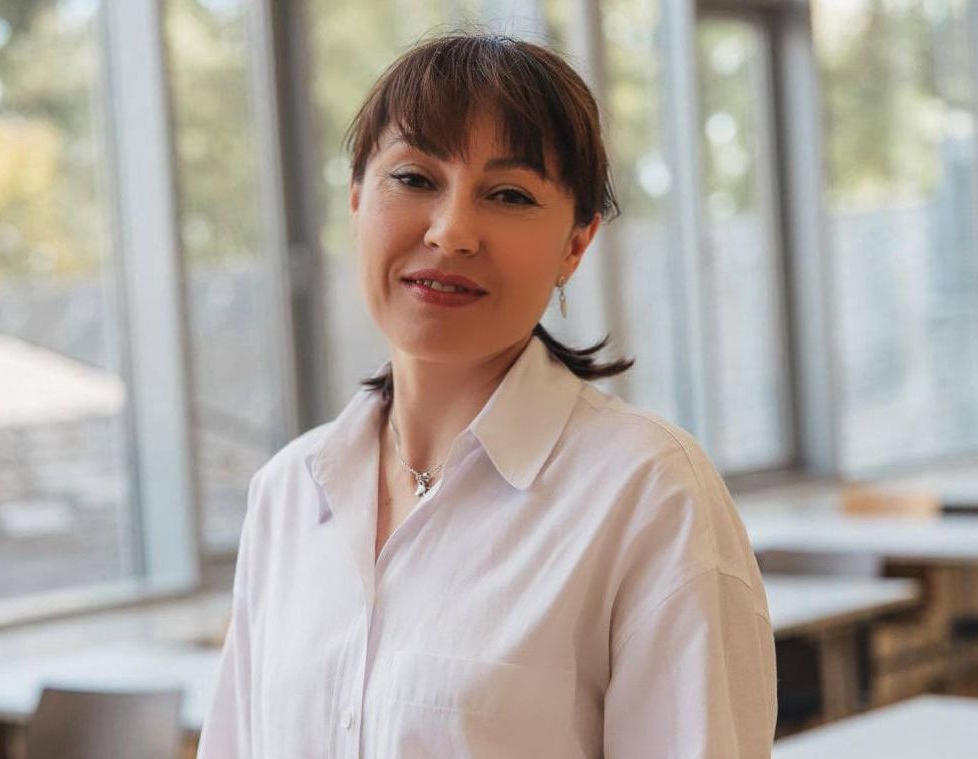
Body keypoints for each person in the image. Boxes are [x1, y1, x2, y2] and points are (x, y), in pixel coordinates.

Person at [197, 31, 777, 759]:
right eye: (414, 179)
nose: (452, 232)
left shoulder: (648, 492)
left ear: (576, 244)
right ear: (356, 199)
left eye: (508, 195)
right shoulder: (286, 495)